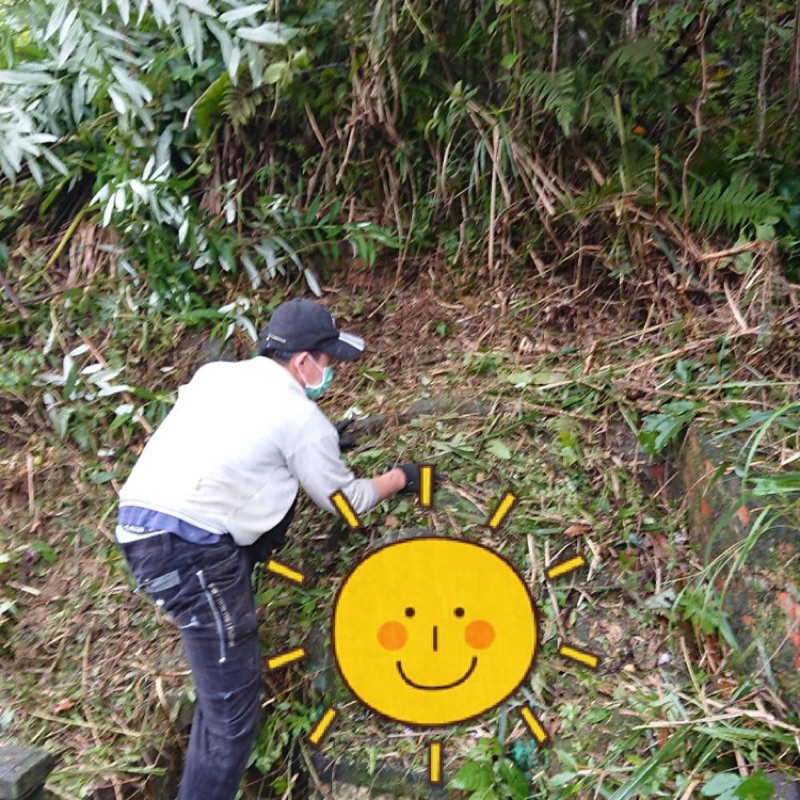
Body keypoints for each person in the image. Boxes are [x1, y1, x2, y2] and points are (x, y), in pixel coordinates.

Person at [116, 298, 425, 800]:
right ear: (304, 361)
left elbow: (233, 445)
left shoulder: (214, 376)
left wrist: (315, 449)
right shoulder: (302, 421)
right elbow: (346, 504)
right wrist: (399, 478)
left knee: (220, 709)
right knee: (233, 722)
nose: (330, 373)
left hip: (138, 529)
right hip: (192, 552)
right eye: (327, 362)